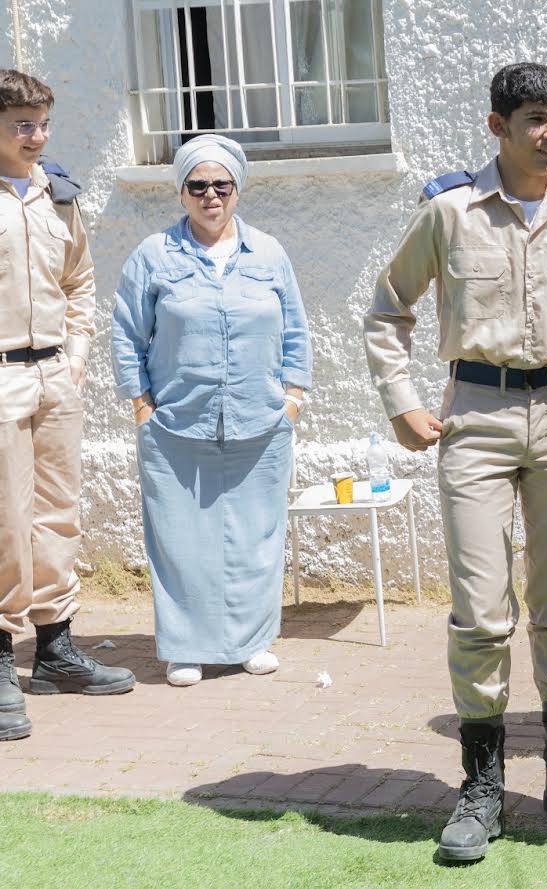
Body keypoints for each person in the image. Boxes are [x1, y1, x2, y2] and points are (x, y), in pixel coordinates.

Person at [362, 62, 547, 863]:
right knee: (482, 610)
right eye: (535, 120)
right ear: (497, 127)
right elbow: (387, 311)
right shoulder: (450, 212)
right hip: (475, 416)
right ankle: (481, 782)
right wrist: (403, 402)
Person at [112, 134, 311, 688]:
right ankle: (186, 647)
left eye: (221, 185)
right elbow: (127, 334)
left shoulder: (269, 254)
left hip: (261, 420)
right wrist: (140, 405)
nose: (210, 196)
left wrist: (292, 400)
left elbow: (296, 330)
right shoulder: (153, 255)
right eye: (197, 186)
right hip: (177, 422)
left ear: (237, 190)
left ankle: (251, 642)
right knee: (181, 538)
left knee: (255, 536)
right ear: (181, 193)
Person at [1, 69, 135, 743]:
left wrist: (78, 352)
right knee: (5, 519)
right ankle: (1, 656)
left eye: (42, 123)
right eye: (22, 124)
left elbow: (80, 279)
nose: (37, 136)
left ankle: (53, 647)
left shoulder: (58, 195)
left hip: (55, 373)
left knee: (59, 513)